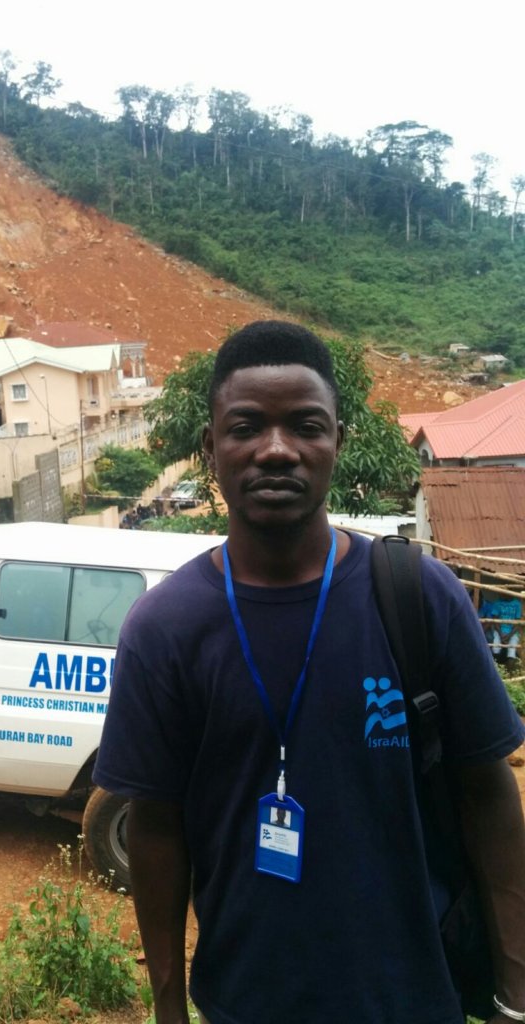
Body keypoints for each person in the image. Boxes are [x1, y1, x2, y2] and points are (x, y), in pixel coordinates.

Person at [94, 320, 525, 1024]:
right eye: (245, 427)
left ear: (337, 442)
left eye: (305, 426)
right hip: (245, 1003)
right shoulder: (165, 631)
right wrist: (168, 1008)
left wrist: (515, 981)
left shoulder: (420, 597)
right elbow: (157, 828)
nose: (276, 450)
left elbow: (488, 793)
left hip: (415, 998)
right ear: (210, 447)